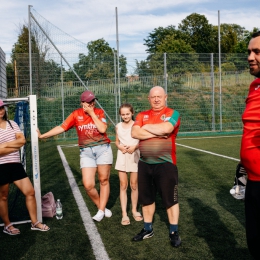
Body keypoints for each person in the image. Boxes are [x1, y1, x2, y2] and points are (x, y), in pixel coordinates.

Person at [37, 90, 113, 222]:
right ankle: (101, 206)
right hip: (86, 152)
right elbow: (61, 127)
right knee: (88, 185)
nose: (92, 103)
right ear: (82, 103)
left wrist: (91, 113)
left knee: (103, 180)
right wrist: (43, 135)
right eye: (88, 102)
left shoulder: (99, 112)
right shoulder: (76, 114)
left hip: (103, 150)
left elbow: (102, 129)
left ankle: (100, 210)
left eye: (93, 101)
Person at [131, 86, 181, 247]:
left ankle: (173, 231)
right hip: (145, 164)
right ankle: (147, 229)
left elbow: (167, 129)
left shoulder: (173, 113)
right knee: (146, 199)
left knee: (170, 200)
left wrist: (145, 129)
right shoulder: (141, 115)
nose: (157, 99)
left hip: (166, 164)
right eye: (153, 97)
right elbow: (134, 133)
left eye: (160, 96)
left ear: (165, 97)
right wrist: (156, 131)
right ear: (149, 98)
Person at [0, 100, 50, 235]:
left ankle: (35, 222)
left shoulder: (12, 124)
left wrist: (4, 146)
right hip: (1, 166)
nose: (1, 111)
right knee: (3, 197)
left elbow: (22, 141)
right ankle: (7, 225)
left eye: (2, 108)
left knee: (30, 192)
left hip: (15, 164)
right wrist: (13, 145)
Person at [240, 31, 260, 259]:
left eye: (257, 51)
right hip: (252, 182)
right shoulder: (254, 85)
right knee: (254, 244)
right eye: (249, 51)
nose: (250, 57)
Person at [115, 103, 143, 225]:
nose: (125, 116)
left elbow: (142, 140)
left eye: (127, 114)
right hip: (122, 155)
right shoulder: (118, 126)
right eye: (123, 114)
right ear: (120, 115)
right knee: (123, 185)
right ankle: (124, 214)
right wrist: (120, 147)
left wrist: (134, 147)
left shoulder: (137, 125)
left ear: (132, 113)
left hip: (135, 155)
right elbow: (116, 142)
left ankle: (134, 210)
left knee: (134, 185)